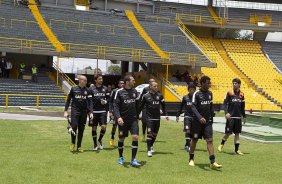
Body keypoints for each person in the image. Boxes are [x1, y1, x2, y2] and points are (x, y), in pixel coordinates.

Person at [189, 76, 222, 169]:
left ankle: (212, 162)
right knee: (194, 140)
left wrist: (211, 117)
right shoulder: (196, 94)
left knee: (210, 140)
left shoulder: (210, 93)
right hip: (197, 122)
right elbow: (193, 107)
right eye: (207, 83)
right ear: (202, 83)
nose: (209, 84)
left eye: (209, 83)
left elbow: (211, 106)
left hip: (207, 122)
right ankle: (191, 159)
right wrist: (199, 117)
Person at [113, 75, 141, 166]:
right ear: (127, 82)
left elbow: (137, 106)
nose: (134, 82)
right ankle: (121, 157)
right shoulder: (119, 92)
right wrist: (118, 117)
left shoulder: (135, 91)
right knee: (121, 138)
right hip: (123, 120)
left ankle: (133, 159)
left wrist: (138, 117)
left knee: (135, 137)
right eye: (133, 80)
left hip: (133, 119)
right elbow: (115, 106)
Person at [64, 75, 93, 153]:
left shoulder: (88, 90)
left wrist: (90, 112)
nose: (86, 82)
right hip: (75, 111)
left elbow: (90, 102)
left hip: (84, 112)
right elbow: (68, 100)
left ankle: (79, 146)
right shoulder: (73, 89)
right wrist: (65, 111)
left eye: (86, 80)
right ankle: (73, 143)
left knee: (81, 129)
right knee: (74, 127)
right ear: (80, 80)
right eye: (84, 80)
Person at [139, 81, 168, 157]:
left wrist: (166, 114)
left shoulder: (160, 96)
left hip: (157, 118)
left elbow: (163, 105)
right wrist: (137, 114)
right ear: (150, 87)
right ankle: (149, 150)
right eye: (155, 86)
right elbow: (141, 106)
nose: (156, 87)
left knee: (155, 134)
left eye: (157, 86)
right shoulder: (145, 96)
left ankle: (151, 145)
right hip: (149, 118)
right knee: (149, 133)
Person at [218, 78, 246, 155]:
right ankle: (221, 144)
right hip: (230, 117)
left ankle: (236, 150)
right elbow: (224, 104)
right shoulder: (229, 93)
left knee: (237, 134)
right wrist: (226, 113)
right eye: (233, 83)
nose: (234, 84)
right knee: (228, 133)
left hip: (238, 118)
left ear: (239, 84)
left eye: (236, 83)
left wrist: (244, 116)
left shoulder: (242, 94)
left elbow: (243, 107)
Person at [89, 74, 110, 151]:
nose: (101, 80)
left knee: (104, 127)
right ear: (96, 80)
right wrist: (90, 112)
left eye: (102, 79)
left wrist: (105, 101)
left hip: (103, 111)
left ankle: (99, 140)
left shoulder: (105, 88)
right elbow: (90, 101)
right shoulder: (91, 89)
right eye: (100, 79)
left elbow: (109, 99)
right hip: (94, 111)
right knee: (94, 127)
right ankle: (95, 144)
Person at [176, 84, 196, 152]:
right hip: (187, 116)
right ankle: (188, 145)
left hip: (194, 117)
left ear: (195, 90)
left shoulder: (197, 97)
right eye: (190, 89)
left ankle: (187, 144)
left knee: (192, 132)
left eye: (193, 89)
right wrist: (177, 115)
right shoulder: (185, 97)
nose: (191, 91)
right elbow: (181, 107)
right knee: (187, 130)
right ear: (188, 90)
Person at [109, 79, 125, 146]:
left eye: (123, 83)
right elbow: (110, 101)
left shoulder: (125, 91)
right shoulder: (114, 91)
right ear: (118, 84)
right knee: (114, 126)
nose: (122, 84)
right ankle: (112, 137)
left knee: (122, 126)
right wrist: (110, 111)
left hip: (123, 112)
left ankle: (121, 140)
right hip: (115, 111)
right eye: (120, 83)